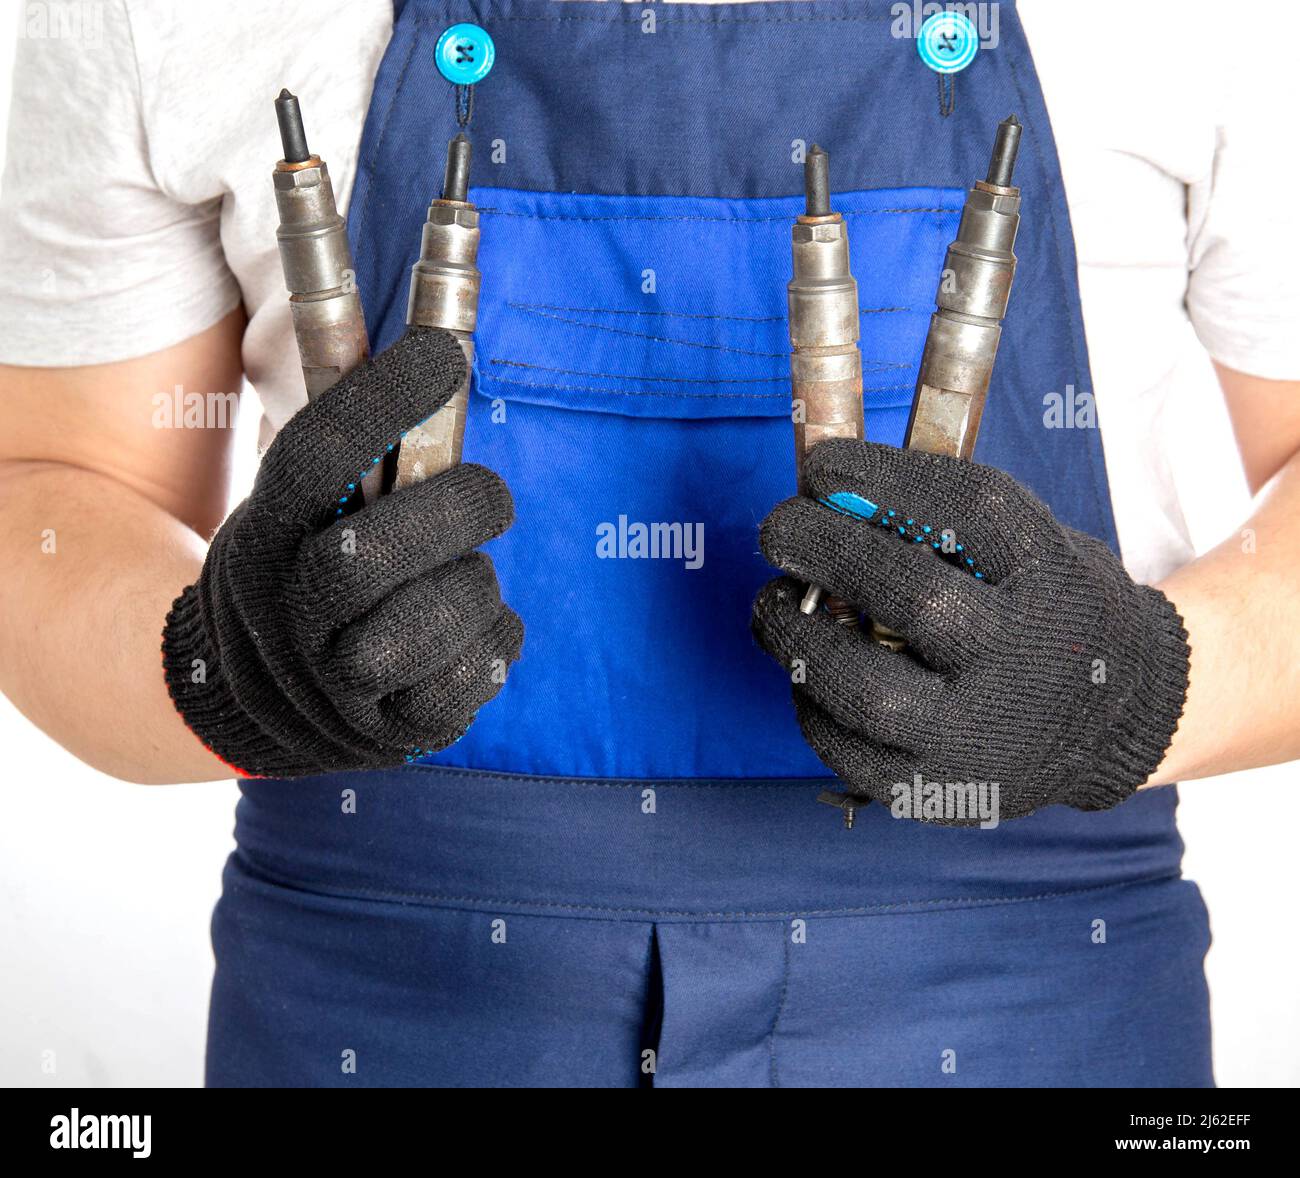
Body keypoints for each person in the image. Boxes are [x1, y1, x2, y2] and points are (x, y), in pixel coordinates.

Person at [1, 0, 1297, 1088]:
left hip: (1038, 1010)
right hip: (379, 1008)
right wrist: (218, 665)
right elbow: (52, 486)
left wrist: (1128, 686)